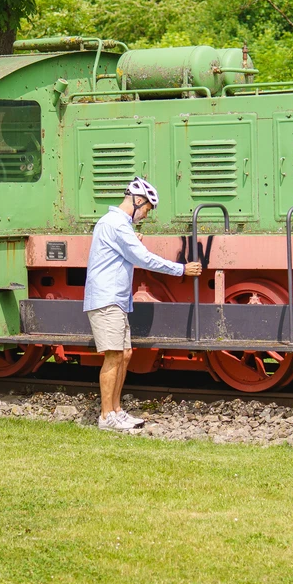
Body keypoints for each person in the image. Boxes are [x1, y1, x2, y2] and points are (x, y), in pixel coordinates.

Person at [84, 177, 202, 432]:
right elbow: (144, 259)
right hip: (106, 299)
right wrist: (181, 269)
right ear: (138, 200)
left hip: (116, 299)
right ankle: (106, 416)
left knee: (124, 354)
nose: (147, 214)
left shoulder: (117, 225)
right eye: (148, 208)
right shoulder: (115, 223)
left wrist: (132, 240)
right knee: (114, 356)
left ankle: (116, 410)